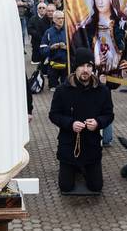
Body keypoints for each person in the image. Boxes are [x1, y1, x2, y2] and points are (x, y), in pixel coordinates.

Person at [48, 49, 114, 194]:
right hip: (69, 145)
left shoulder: (102, 91)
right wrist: (70, 123)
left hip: (92, 145)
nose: (85, 70)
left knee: (96, 187)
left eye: (89, 66)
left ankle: (85, 169)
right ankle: (74, 168)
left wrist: (98, 122)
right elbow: (53, 115)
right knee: (65, 187)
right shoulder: (62, 90)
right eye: (81, 66)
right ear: (75, 67)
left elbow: (109, 115)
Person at [72, 0, 125, 79]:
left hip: (115, 72)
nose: (100, 1)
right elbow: (79, 49)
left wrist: (119, 55)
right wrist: (93, 58)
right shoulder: (86, 26)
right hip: (92, 72)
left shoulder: (121, 23)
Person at [40, 10, 68, 91]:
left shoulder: (68, 31)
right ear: (54, 20)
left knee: (65, 88)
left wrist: (66, 48)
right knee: (53, 89)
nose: (61, 20)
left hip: (65, 65)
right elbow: (42, 49)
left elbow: (74, 48)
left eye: (63, 18)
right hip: (53, 65)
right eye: (59, 18)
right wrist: (51, 48)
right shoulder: (48, 32)